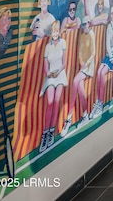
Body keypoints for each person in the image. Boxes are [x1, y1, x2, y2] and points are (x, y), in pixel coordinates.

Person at [61, 16, 95, 136]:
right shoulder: (82, 36)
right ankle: (85, 114)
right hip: (83, 66)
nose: (84, 26)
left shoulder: (92, 34)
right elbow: (80, 51)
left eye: (86, 24)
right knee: (80, 88)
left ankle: (68, 118)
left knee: (75, 81)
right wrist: (81, 61)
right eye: (83, 24)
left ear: (89, 24)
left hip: (89, 67)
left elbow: (93, 53)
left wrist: (86, 64)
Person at [39, 20, 68, 152]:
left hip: (60, 74)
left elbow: (65, 63)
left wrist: (58, 72)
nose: (55, 33)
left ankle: (51, 131)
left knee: (56, 101)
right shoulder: (47, 47)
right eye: (53, 31)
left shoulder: (63, 43)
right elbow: (46, 67)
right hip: (50, 76)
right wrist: (49, 74)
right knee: (50, 102)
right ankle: (45, 133)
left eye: (57, 31)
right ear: (51, 33)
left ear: (59, 32)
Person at [91, 10, 113, 118]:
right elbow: (108, 44)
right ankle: (99, 102)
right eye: (112, 15)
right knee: (99, 72)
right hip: (110, 55)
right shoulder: (109, 27)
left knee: (107, 71)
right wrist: (110, 56)